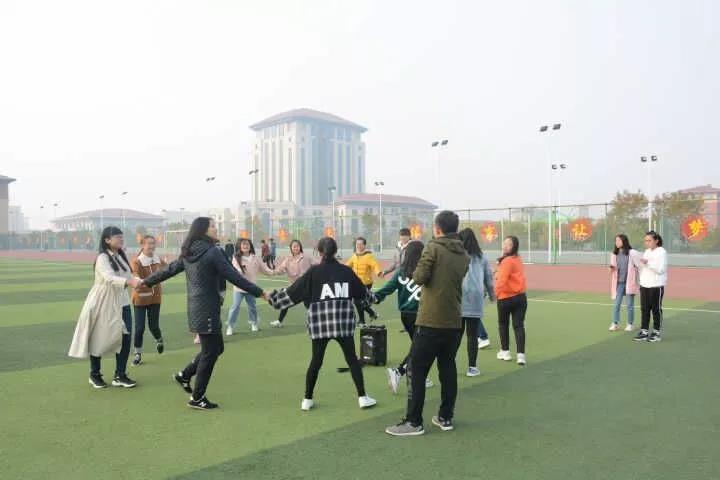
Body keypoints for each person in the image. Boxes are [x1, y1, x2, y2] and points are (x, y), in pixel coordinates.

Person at [140, 217, 266, 410]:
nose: (216, 228)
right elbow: (233, 276)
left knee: (216, 348)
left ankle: (185, 375)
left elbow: (170, 270)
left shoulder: (190, 252)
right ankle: (197, 398)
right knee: (210, 352)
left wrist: (146, 282)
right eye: (213, 226)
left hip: (198, 307)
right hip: (206, 308)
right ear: (204, 230)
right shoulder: (212, 251)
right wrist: (260, 292)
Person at [268, 237, 377, 411]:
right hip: (343, 324)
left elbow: (293, 293)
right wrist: (375, 298)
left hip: (320, 325)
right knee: (352, 360)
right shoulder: (346, 271)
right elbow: (363, 293)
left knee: (316, 361)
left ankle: (307, 399)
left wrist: (272, 298)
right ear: (336, 251)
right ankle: (362, 397)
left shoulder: (313, 272)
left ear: (319, 252)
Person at [385, 211, 469, 436]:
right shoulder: (463, 253)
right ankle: (445, 417)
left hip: (431, 320)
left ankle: (413, 422)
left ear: (438, 228)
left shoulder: (433, 247)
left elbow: (419, 277)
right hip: (454, 320)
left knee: (416, 369)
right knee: (447, 368)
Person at [69, 226, 141, 389]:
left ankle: (120, 375)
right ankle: (94, 374)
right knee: (99, 337)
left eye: (122, 237)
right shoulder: (102, 258)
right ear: (107, 240)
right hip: (104, 302)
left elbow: (129, 276)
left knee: (125, 338)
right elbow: (109, 277)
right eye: (117, 237)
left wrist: (140, 281)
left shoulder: (121, 256)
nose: (121, 239)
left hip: (122, 303)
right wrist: (129, 282)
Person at [374, 240, 434, 394]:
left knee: (419, 347)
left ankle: (419, 375)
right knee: (420, 348)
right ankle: (399, 372)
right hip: (420, 316)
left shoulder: (401, 271)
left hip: (405, 316)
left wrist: (376, 297)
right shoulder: (424, 271)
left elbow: (388, 288)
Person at [458, 228, 496, 377]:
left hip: (458, 298)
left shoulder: (457, 256)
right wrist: (492, 295)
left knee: (456, 335)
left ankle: (450, 364)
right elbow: (488, 278)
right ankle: (472, 367)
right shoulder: (482, 257)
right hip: (476, 299)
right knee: (472, 336)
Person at [130, 235, 167, 366]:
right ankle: (137, 354)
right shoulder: (137, 261)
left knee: (154, 326)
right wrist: (139, 280)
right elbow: (135, 274)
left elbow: (167, 269)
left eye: (153, 243)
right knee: (139, 328)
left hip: (155, 298)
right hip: (140, 298)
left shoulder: (157, 259)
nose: (151, 246)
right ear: (142, 245)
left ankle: (159, 340)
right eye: (149, 243)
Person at [226, 238, 274, 334]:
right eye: (243, 244)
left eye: (247, 244)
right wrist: (239, 272)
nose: (245, 246)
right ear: (240, 246)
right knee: (235, 307)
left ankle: (254, 323)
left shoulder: (255, 258)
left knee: (252, 307)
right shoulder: (236, 258)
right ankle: (230, 326)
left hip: (252, 288)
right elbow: (237, 270)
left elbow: (264, 269)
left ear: (250, 246)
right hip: (239, 288)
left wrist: (274, 272)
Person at [494, 236, 528, 366]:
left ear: (514, 246)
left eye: (508, 244)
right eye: (504, 243)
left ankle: (505, 351)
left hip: (505, 298)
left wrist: (495, 294)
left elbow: (501, 280)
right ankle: (521, 355)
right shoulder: (517, 259)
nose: (505, 246)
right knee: (519, 326)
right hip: (520, 297)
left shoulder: (507, 261)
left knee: (503, 324)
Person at [634, 231, 668, 343]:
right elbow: (644, 267)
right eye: (645, 241)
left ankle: (656, 333)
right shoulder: (647, 251)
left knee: (656, 309)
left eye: (649, 240)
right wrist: (639, 264)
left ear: (656, 241)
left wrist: (647, 263)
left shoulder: (662, 252)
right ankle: (644, 332)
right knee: (644, 309)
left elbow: (660, 270)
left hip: (656, 285)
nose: (647, 243)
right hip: (644, 284)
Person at [270, 239, 313, 327]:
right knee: (286, 302)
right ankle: (279, 321)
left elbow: (316, 265)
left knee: (309, 305)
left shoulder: (306, 257)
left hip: (306, 287)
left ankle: (312, 322)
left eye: (297, 246)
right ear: (291, 248)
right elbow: (281, 269)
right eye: (294, 246)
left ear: (300, 247)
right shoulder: (288, 259)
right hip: (294, 287)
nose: (296, 248)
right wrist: (273, 272)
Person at [609, 234, 641, 332]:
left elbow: (639, 265)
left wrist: (635, 271)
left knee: (629, 305)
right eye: (616, 241)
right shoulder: (614, 254)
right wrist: (612, 268)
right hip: (619, 283)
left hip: (629, 282)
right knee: (616, 304)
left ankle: (630, 324)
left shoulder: (631, 253)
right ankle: (615, 323)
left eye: (619, 240)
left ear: (624, 241)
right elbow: (612, 267)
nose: (617, 242)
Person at [346, 237, 381, 324]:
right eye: (357, 244)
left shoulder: (369, 256)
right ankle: (372, 314)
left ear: (364, 245)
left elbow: (375, 265)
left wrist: (378, 272)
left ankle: (362, 321)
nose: (358, 246)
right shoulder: (354, 256)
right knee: (359, 302)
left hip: (366, 283)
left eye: (360, 244)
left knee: (358, 301)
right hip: (356, 284)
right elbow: (347, 266)